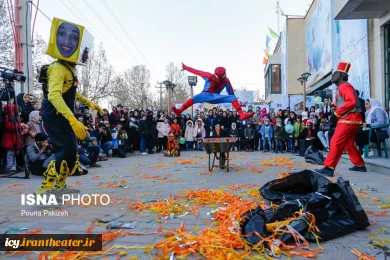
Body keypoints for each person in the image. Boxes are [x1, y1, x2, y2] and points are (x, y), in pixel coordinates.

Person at [37, 18, 101, 195]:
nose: (86, 55)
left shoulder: (70, 68)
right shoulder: (58, 67)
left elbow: (73, 92)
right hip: (54, 113)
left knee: (71, 151)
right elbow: (54, 95)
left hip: (63, 114)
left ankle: (60, 186)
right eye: (63, 36)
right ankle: (46, 188)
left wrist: (90, 103)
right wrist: (73, 120)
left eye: (74, 38)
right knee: (63, 150)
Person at [316, 62, 366, 176]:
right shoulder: (343, 87)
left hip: (349, 119)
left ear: (341, 75)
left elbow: (352, 102)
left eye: (335, 74)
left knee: (335, 141)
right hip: (352, 118)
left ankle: (329, 167)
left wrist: (337, 114)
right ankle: (359, 164)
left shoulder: (344, 86)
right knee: (348, 143)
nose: (333, 76)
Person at [171, 63, 254, 121]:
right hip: (206, 95)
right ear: (215, 75)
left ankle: (242, 114)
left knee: (232, 97)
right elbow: (197, 71)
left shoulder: (226, 80)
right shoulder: (209, 76)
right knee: (194, 98)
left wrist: (237, 105)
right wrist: (186, 68)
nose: (220, 79)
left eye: (222, 77)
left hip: (216, 97)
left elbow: (231, 94)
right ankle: (179, 110)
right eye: (219, 77)